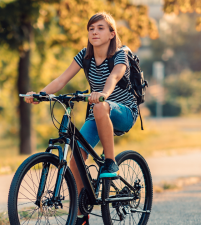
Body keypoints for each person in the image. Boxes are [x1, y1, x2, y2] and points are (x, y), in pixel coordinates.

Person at [25, 12, 138, 225]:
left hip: (124, 111)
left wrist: (102, 94)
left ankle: (111, 163)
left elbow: (114, 77)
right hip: (98, 113)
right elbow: (61, 79)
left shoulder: (121, 54)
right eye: (91, 29)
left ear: (112, 34)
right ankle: (80, 214)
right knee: (76, 157)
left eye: (100, 28)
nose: (94, 32)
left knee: (99, 106)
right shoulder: (84, 55)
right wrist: (40, 94)